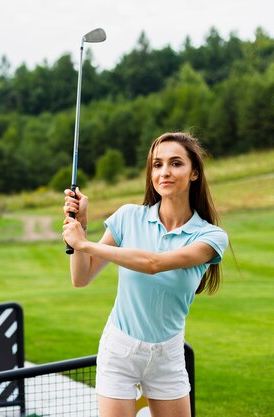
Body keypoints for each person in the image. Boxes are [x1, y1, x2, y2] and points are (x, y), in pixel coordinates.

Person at [62, 132, 229, 417]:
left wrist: (85, 244)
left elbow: (154, 263)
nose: (164, 172)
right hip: (119, 349)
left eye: (176, 164)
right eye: (157, 164)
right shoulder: (128, 217)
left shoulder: (211, 237)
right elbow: (81, 277)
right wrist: (84, 227)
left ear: (194, 173)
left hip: (169, 355)